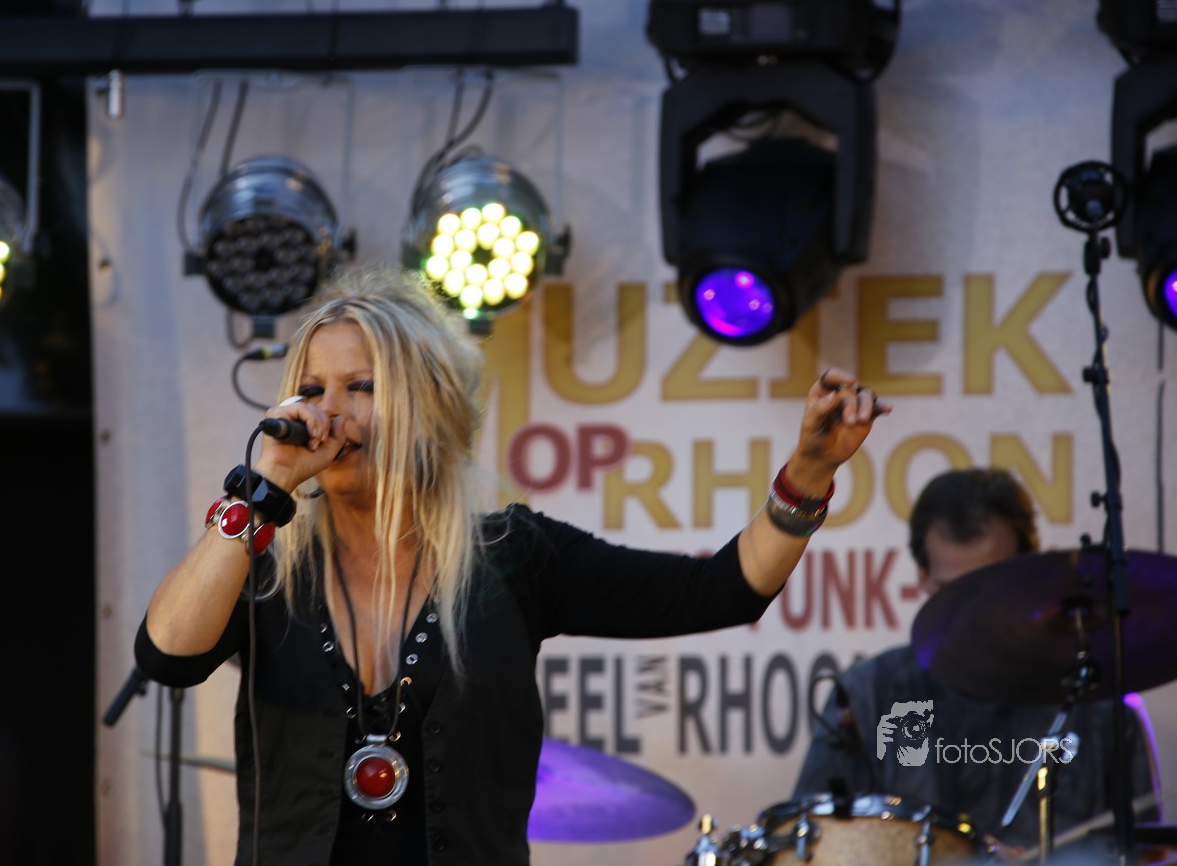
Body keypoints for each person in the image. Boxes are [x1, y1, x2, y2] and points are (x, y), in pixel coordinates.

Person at [134, 265, 887, 866]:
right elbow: (166, 656)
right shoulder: (260, 557)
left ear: (429, 405)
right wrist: (257, 498)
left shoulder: (512, 556)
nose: (328, 413)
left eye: (362, 387)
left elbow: (720, 591)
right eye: (312, 390)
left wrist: (809, 473)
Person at [793, 467, 1160, 856]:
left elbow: (1148, 854)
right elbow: (812, 847)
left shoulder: (1101, 708)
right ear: (922, 577)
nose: (968, 613)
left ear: (1027, 572)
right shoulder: (868, 694)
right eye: (950, 592)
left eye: (987, 589)